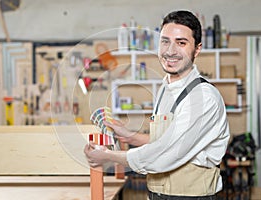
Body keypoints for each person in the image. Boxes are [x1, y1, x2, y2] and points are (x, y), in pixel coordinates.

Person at [84, 10, 230, 199]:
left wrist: (107, 157)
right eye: (165, 41)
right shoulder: (165, 87)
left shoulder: (202, 97)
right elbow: (165, 140)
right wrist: (130, 136)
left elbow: (166, 153)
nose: (170, 51)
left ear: (197, 49)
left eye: (181, 43)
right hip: (157, 194)